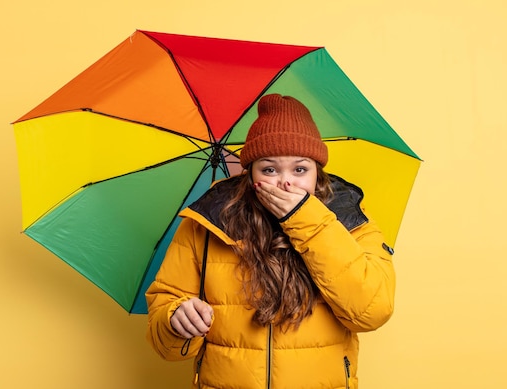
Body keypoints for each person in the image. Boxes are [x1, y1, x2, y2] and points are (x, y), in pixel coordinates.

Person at [146, 94, 396, 389]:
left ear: (317, 172)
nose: (285, 182)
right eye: (269, 169)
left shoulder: (351, 220)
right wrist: (177, 321)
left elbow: (372, 311)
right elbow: (165, 338)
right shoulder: (206, 224)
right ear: (250, 173)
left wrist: (307, 220)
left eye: (300, 169)